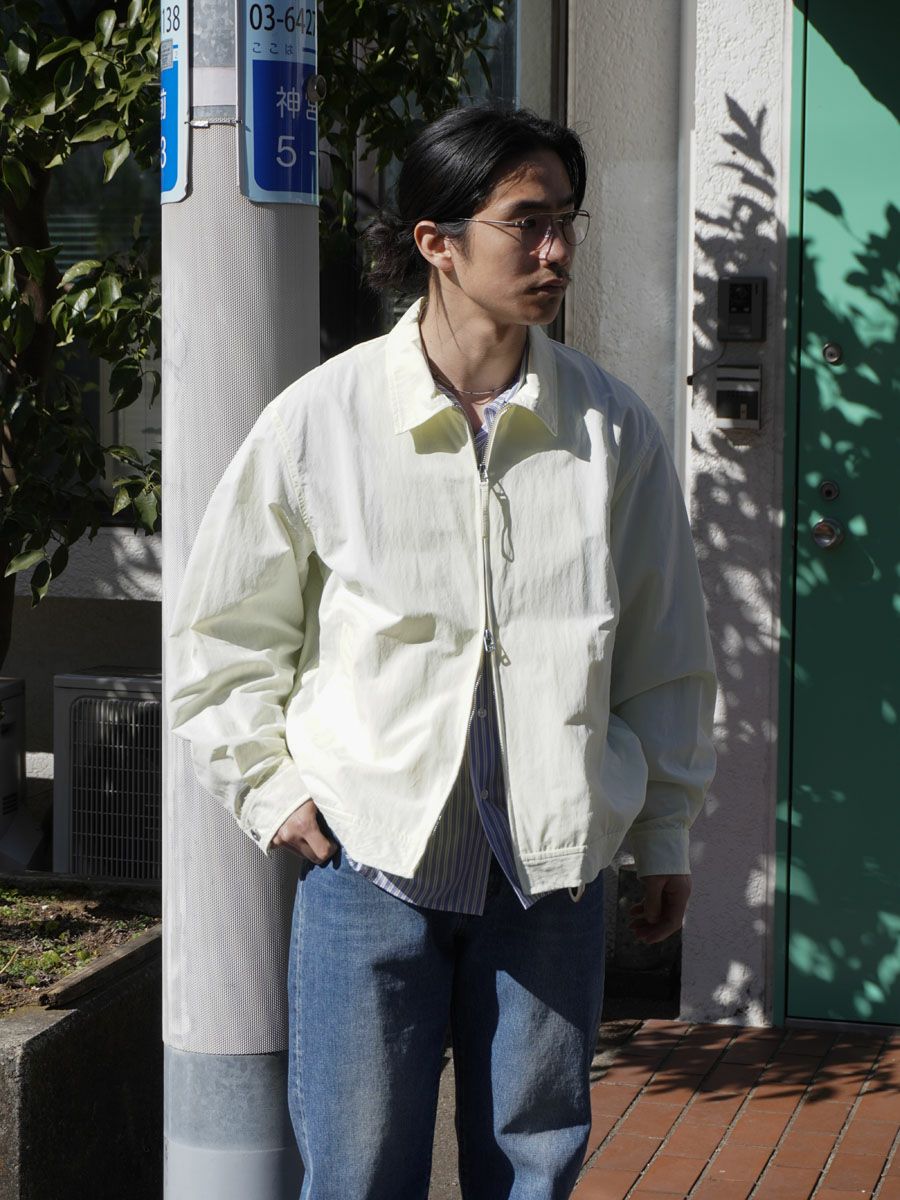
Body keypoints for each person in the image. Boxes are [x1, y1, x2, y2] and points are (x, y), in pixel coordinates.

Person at [168, 105, 717, 1200]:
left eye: (566, 221)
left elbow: (664, 647)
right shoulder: (322, 422)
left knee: (532, 1166)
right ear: (438, 241)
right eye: (526, 222)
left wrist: (665, 828)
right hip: (370, 862)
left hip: (551, 877)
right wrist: (272, 790)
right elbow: (224, 636)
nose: (555, 251)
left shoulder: (610, 430)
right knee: (360, 1172)